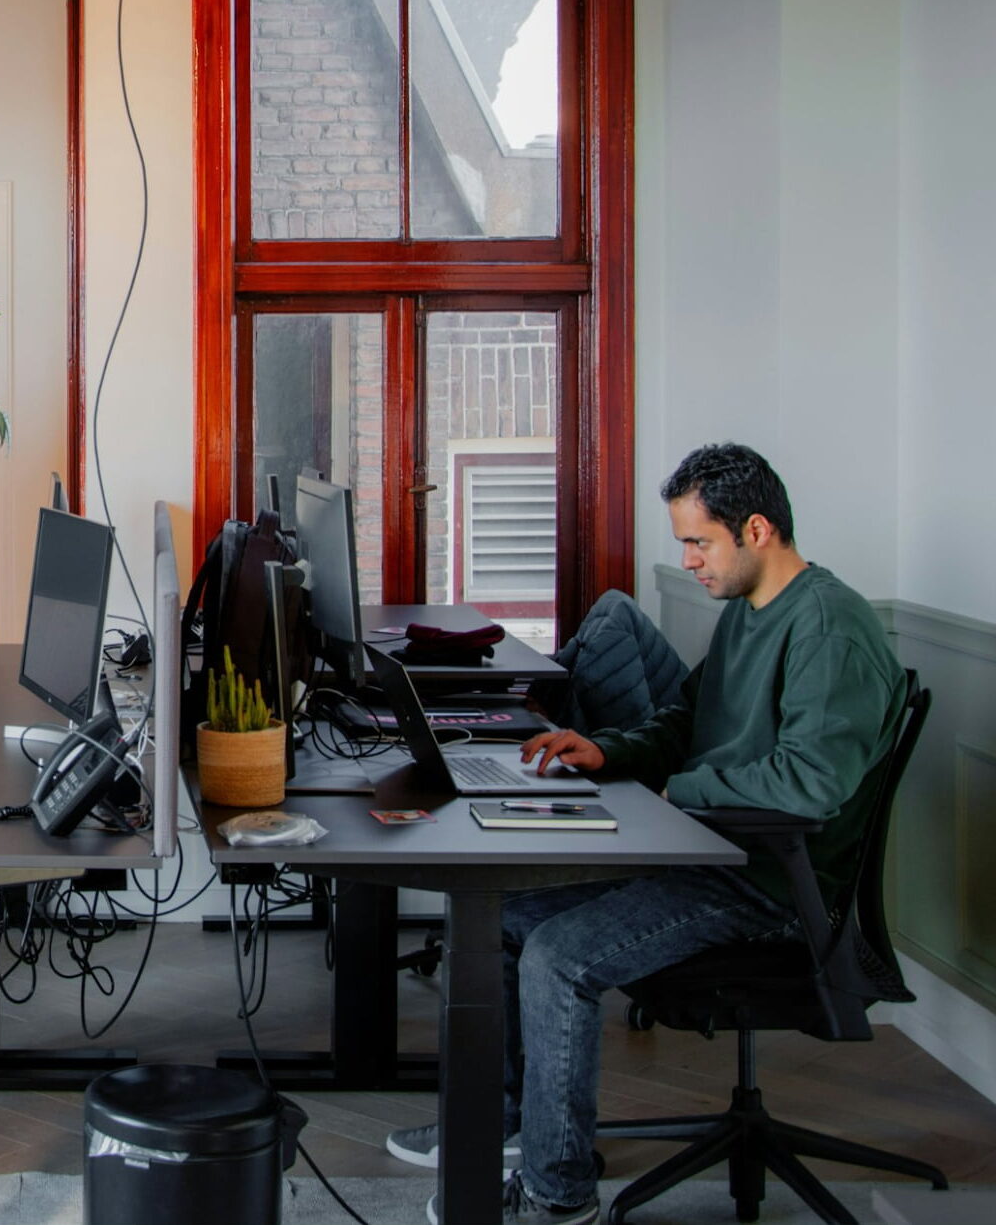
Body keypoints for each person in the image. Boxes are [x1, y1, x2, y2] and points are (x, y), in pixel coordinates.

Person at [384, 443, 906, 1225]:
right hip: (711, 853)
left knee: (558, 957)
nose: (688, 560)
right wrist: (608, 751)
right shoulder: (749, 612)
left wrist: (675, 790)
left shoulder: (828, 629)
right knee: (497, 914)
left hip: (767, 885)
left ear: (755, 529)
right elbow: (685, 719)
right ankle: (514, 1128)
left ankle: (557, 1196)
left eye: (698, 542)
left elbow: (809, 783)